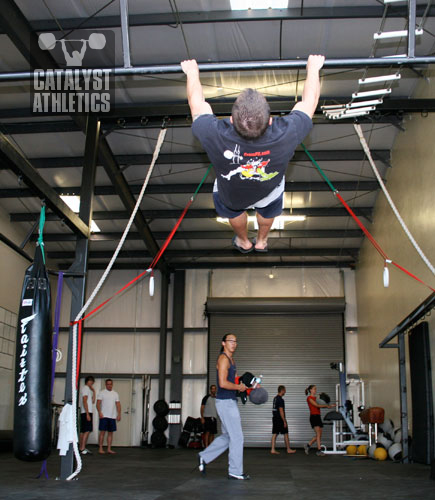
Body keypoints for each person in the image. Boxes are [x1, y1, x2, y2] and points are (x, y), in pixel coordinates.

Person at [181, 55, 324, 253]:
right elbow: (310, 101)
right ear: (271, 121)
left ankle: (243, 241)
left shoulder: (213, 133)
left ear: (231, 120)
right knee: (269, 205)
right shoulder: (286, 132)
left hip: (232, 193)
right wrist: (314, 68)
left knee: (231, 208)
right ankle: (262, 241)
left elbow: (196, 104)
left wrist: (191, 72)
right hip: (268, 190)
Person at [198, 333, 250, 480]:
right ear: (223, 343)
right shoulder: (223, 359)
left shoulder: (232, 360)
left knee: (228, 436)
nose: (234, 343)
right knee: (237, 437)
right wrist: (238, 388)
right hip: (225, 402)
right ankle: (235, 471)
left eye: (236, 341)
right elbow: (222, 383)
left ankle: (204, 456)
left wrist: (249, 384)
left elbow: (236, 380)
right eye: (231, 341)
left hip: (229, 401)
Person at [304, 384, 334, 456]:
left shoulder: (317, 398)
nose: (315, 390)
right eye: (314, 389)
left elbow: (321, 405)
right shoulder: (309, 398)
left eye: (316, 389)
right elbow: (316, 405)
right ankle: (319, 450)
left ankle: (308, 445)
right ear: (310, 390)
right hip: (313, 417)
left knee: (319, 434)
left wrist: (328, 405)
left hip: (318, 416)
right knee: (318, 434)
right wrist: (326, 405)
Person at [96, 379, 121, 455]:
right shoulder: (102, 393)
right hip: (104, 416)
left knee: (110, 433)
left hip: (112, 416)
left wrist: (119, 414)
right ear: (105, 385)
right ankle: (100, 448)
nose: (109, 385)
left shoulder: (115, 394)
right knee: (102, 432)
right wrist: (100, 412)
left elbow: (118, 404)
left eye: (110, 384)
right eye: (108, 384)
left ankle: (109, 449)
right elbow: (98, 404)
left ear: (112, 385)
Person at [271, 385, 296, 455]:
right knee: (285, 433)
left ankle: (273, 449)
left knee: (275, 433)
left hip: (275, 418)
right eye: (284, 390)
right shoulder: (280, 399)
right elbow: (281, 410)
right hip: (280, 419)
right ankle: (288, 449)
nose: (285, 392)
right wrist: (284, 421)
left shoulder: (275, 398)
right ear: (282, 390)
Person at [79, 375, 96, 455]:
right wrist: (87, 414)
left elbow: (92, 401)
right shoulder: (85, 388)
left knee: (83, 430)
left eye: (92, 382)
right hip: (86, 412)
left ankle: (81, 447)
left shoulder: (88, 389)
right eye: (91, 381)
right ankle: (82, 448)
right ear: (87, 381)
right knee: (87, 430)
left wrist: (94, 391)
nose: (92, 383)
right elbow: (84, 400)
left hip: (86, 411)